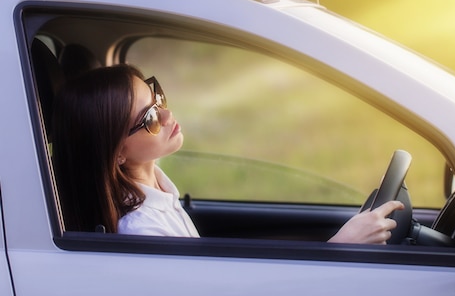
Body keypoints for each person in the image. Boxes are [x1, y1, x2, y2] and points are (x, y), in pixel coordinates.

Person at [52, 64, 403, 244]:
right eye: (149, 119)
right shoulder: (143, 230)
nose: (168, 115)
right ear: (116, 154)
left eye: (156, 97)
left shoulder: (158, 193)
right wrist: (339, 248)